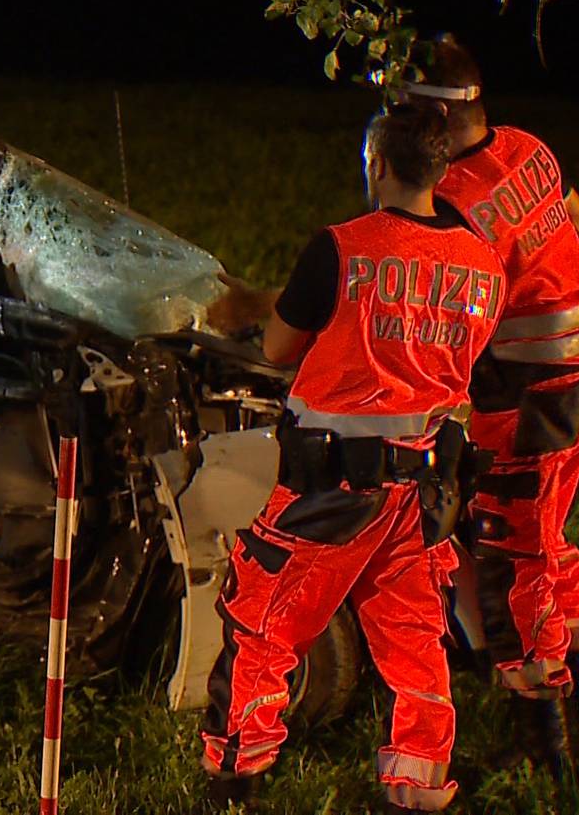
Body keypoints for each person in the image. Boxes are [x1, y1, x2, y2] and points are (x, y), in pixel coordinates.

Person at [200, 105, 504, 814]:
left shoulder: (340, 246)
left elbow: (278, 349)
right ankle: (417, 791)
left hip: (331, 492)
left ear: (377, 165)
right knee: (414, 645)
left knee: (262, 625)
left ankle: (232, 783)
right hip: (422, 492)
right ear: (442, 168)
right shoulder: (483, 263)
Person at [399, 35, 579, 768]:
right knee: (549, 539)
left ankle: (553, 759)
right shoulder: (529, 148)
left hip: (529, 401)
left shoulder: (455, 204)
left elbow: (448, 322)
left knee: (511, 556)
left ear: (427, 124)